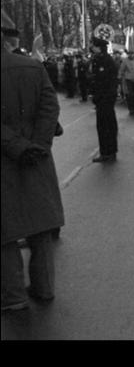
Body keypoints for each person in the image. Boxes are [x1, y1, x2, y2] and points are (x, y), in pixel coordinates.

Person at [1, 17, 64, 312]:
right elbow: (50, 107)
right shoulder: (34, 66)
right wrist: (38, 145)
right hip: (38, 157)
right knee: (40, 226)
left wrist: (18, 147)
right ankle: (44, 287)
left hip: (6, 158)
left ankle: (13, 297)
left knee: (6, 233)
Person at [89, 36, 119, 163]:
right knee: (102, 126)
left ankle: (109, 152)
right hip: (100, 99)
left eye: (94, 45)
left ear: (99, 47)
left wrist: (105, 97)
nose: (92, 47)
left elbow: (108, 81)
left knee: (108, 126)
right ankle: (105, 151)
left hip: (106, 98)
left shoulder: (107, 61)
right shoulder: (97, 60)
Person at [118, 49, 134, 115]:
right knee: (130, 94)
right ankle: (130, 108)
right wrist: (119, 77)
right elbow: (121, 70)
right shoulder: (125, 61)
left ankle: (133, 107)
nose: (131, 55)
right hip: (128, 80)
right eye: (130, 54)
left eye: (132, 54)